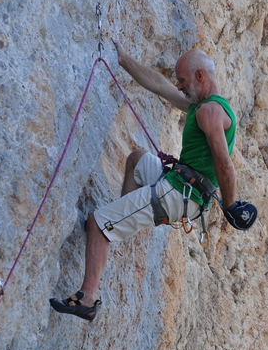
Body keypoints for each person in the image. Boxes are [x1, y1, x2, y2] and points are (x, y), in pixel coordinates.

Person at [49, 40, 257, 321]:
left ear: (200, 76)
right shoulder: (204, 106)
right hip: (179, 185)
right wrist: (124, 59)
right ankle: (116, 224)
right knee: (137, 159)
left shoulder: (209, 112)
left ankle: (88, 296)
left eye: (183, 80)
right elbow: (160, 86)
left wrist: (231, 206)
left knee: (97, 223)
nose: (180, 86)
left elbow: (224, 164)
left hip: (178, 192)